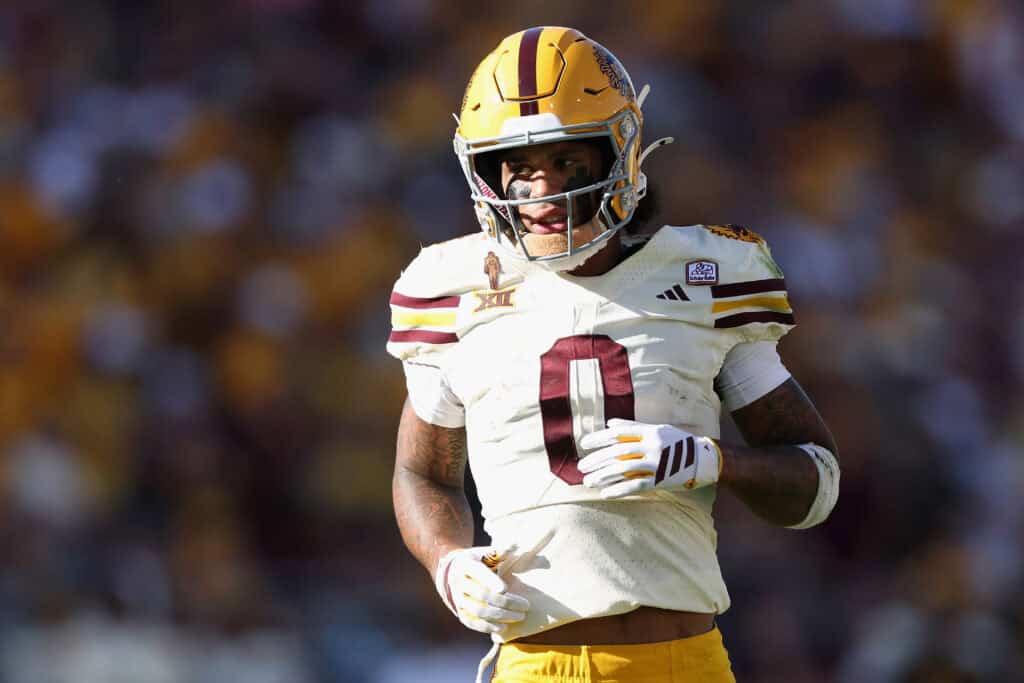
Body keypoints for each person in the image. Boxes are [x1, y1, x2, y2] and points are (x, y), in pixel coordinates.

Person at [388, 26, 839, 683]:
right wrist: (448, 562)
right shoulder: (453, 287)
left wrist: (711, 460)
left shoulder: (708, 276)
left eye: (567, 159)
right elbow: (421, 472)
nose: (541, 189)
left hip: (685, 660)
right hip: (537, 666)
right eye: (518, 165)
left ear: (618, 152)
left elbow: (816, 482)